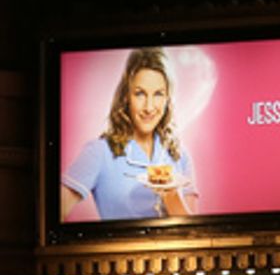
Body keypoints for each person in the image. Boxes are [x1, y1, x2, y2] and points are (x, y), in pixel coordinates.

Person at [60, 48, 198, 221]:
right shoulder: (100, 152)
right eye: (140, 93)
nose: (149, 107)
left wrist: (171, 194)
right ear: (126, 97)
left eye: (158, 94)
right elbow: (51, 217)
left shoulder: (180, 156)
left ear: (167, 99)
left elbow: (192, 233)